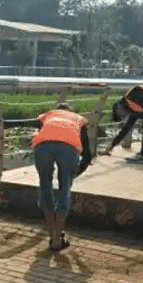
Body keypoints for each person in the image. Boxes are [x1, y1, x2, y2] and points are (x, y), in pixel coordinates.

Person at [32, 103, 92, 252]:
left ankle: (52, 236)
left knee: (45, 188)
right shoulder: (79, 120)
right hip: (69, 148)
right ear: (71, 111)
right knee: (64, 190)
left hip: (42, 146)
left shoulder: (47, 115)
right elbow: (87, 155)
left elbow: (42, 133)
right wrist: (74, 174)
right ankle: (58, 239)